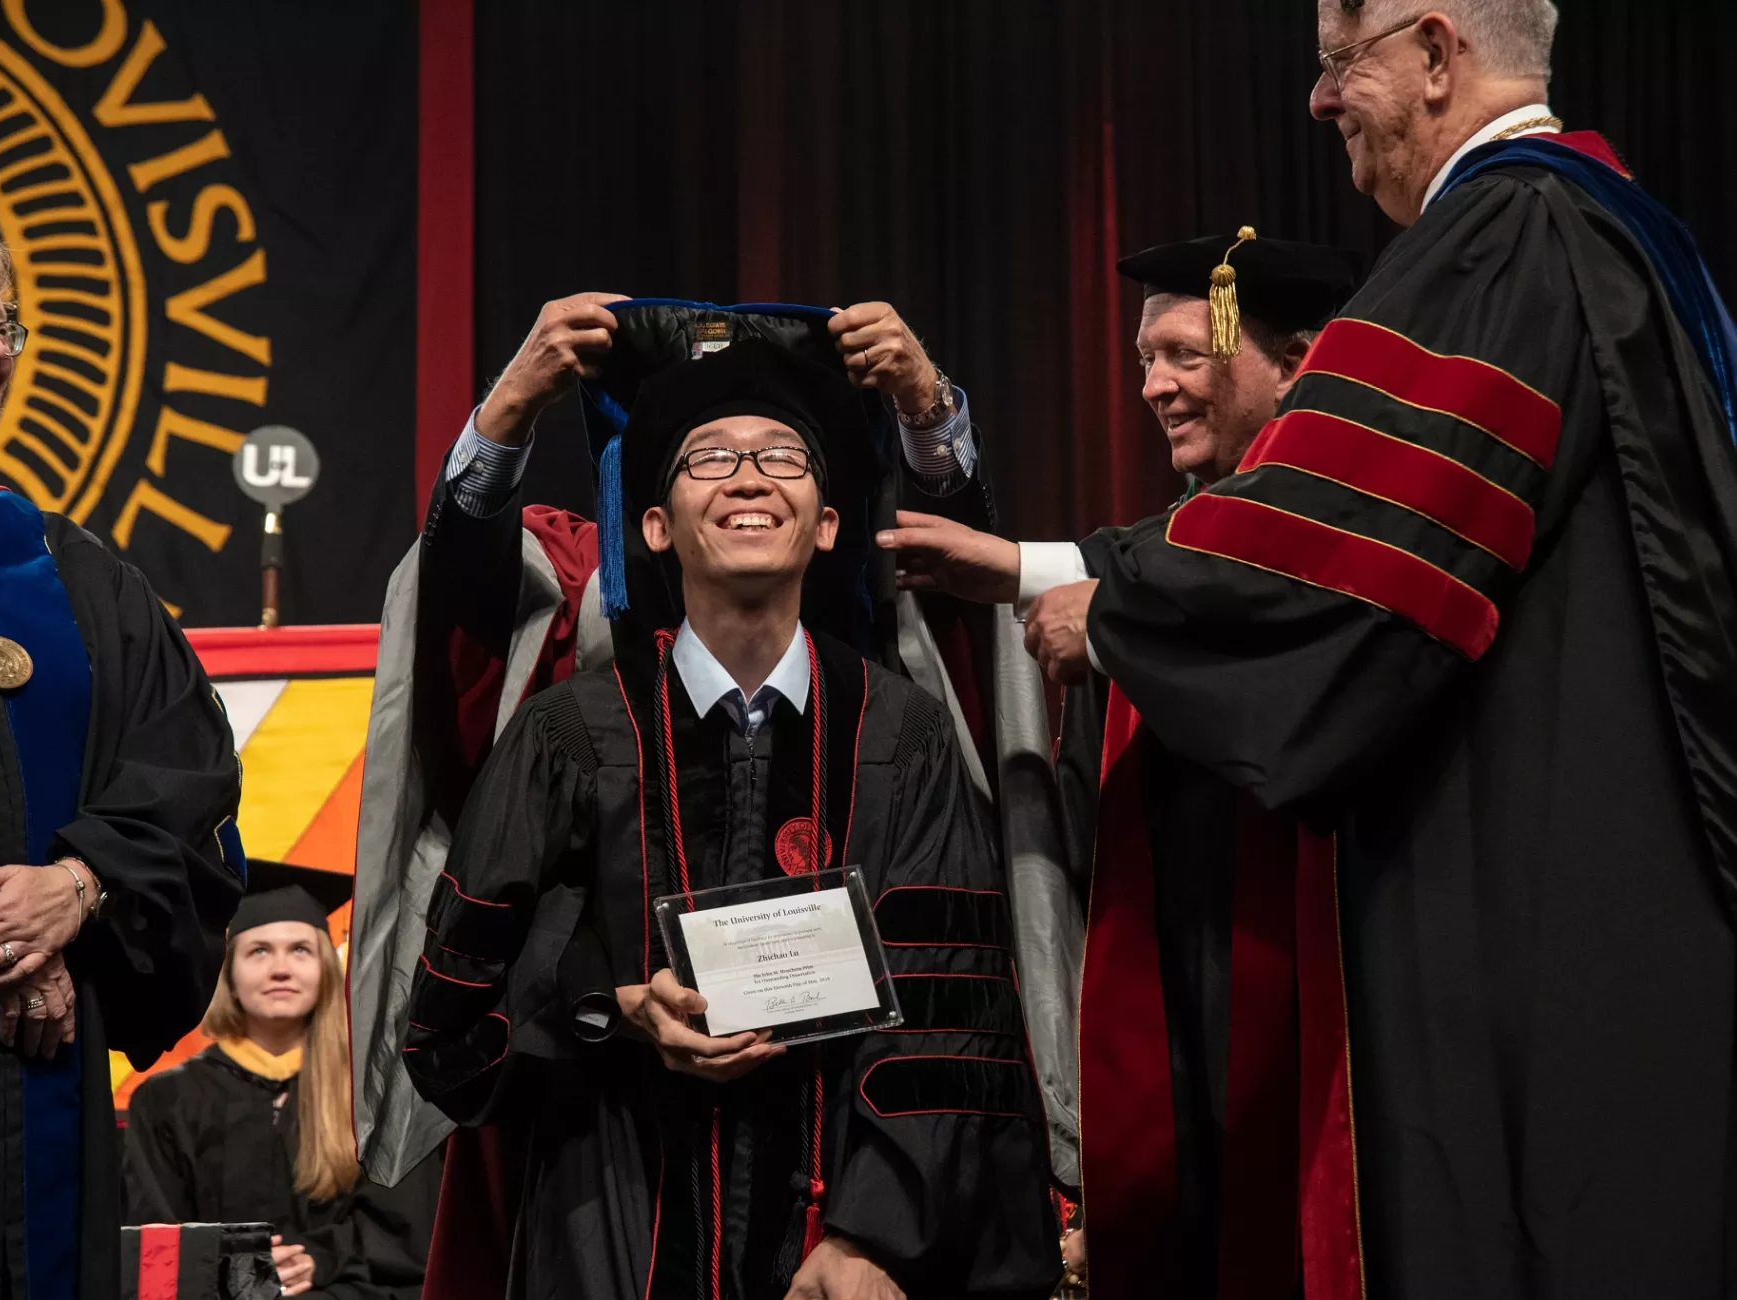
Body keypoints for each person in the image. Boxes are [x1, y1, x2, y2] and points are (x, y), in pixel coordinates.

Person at [1024, 2, 1737, 1296]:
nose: (1317, 100)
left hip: (1537, 904)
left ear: (1433, 52)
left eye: (1337, 60)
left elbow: (1347, 569)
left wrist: (1103, 593)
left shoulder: (1508, 230)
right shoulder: (1634, 234)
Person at [350, 296, 1071, 1300]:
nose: (743, 477)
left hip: (842, 1255)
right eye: (707, 460)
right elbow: (447, 1020)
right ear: (652, 525)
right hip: (609, 1229)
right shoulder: (567, 736)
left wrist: (870, 1234)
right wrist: (609, 1005)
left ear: (827, 525)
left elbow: (954, 1010)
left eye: (781, 458)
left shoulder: (898, 737)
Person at [874, 232, 1359, 1293]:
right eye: (1143, 360)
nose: (1151, 386)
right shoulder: (1188, 539)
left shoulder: (1347, 526)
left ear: (1296, 360)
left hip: (1305, 999)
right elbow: (1145, 567)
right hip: (1181, 1009)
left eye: (1184, 354)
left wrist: (1102, 624)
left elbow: (1202, 600)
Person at [0, 175, 244, 1300]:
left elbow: (187, 761)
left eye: (0, 323)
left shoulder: (64, 563)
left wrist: (80, 882)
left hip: (43, 1086)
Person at [125, 865, 439, 1299]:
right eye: (258, 951)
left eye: (300, 950)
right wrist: (235, 1270)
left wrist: (323, 1255)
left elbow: (407, 1230)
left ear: (326, 967)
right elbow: (156, 1241)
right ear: (228, 972)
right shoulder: (166, 1101)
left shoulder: (374, 1094)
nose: (280, 969)